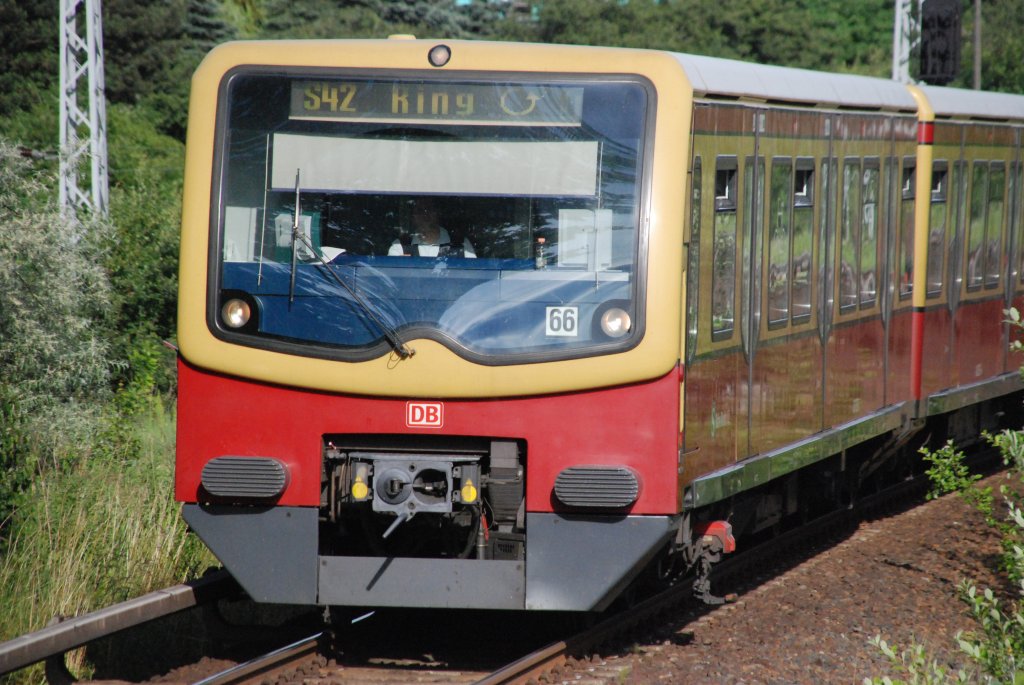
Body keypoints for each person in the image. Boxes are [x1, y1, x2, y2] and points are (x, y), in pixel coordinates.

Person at [388, 197, 476, 257]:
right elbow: (392, 280)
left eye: (429, 209)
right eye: (419, 210)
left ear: (437, 213)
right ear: (413, 216)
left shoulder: (461, 244)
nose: (425, 214)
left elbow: (472, 277)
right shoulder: (400, 246)